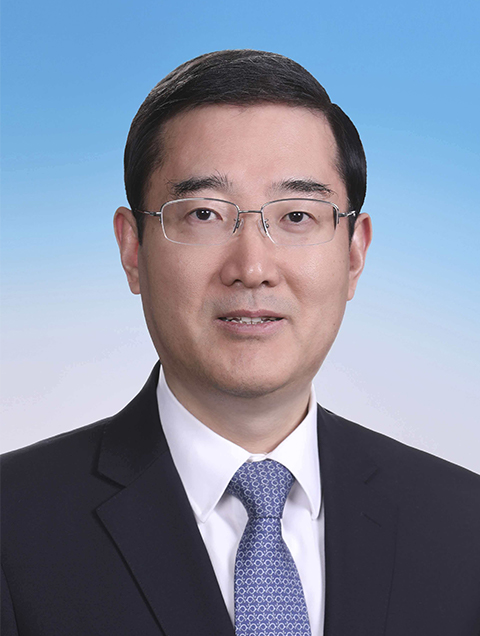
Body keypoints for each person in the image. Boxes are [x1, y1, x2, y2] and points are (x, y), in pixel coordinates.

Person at [2, 50, 480, 636]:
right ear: (132, 250)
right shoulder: (13, 526)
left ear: (355, 253)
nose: (252, 268)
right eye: (204, 214)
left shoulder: (464, 525)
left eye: (297, 217)